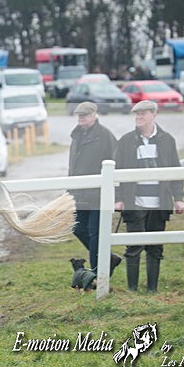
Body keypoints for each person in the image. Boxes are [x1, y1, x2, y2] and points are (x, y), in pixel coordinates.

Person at [113, 100, 184, 293]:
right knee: (134, 246)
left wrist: (178, 197)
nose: (138, 118)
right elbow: (117, 171)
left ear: (154, 115)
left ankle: (152, 289)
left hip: (159, 202)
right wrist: (118, 198)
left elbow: (175, 170)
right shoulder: (126, 140)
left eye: (143, 114)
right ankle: (132, 289)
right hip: (134, 202)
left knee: (155, 247)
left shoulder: (167, 140)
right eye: (136, 115)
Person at [68, 102, 121, 273]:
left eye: (84, 115)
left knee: (94, 233)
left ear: (94, 115)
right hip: (79, 193)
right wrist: (70, 190)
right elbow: (73, 166)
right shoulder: (76, 135)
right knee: (77, 228)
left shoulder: (105, 136)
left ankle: (98, 273)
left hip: (98, 194)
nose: (81, 118)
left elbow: (116, 163)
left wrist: (116, 194)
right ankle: (108, 258)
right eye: (79, 115)